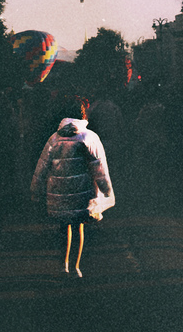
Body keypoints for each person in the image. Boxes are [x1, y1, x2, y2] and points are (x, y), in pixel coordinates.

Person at [31, 94, 114, 277]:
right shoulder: (89, 137)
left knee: (63, 227)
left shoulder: (54, 138)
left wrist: (35, 190)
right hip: (81, 191)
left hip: (58, 192)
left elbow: (42, 166)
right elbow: (98, 166)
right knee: (78, 227)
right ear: (83, 115)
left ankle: (63, 265)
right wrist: (106, 190)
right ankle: (76, 267)